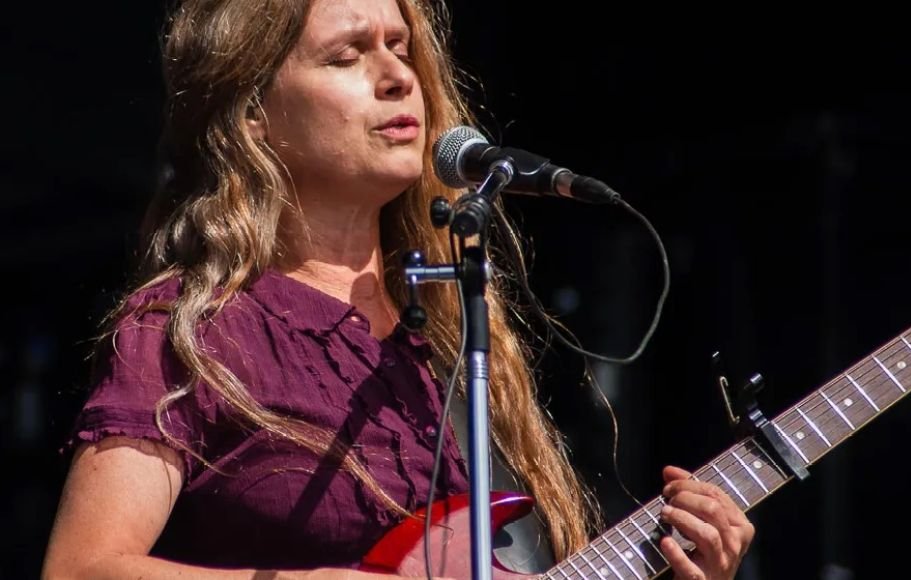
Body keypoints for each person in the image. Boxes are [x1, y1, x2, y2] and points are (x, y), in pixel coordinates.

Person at [41, 0, 755, 578]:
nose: (395, 75)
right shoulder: (192, 329)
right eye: (347, 55)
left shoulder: (455, 333)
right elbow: (81, 568)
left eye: (400, 47)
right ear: (252, 115)